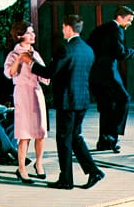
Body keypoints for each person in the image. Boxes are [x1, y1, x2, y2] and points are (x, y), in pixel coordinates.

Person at [23, 14, 105, 190]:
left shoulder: (66, 49)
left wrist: (30, 63)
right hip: (82, 100)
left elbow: (49, 73)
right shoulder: (88, 49)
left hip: (67, 101)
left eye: (63, 28)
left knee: (64, 140)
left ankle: (66, 180)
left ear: (68, 28)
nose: (62, 31)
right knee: (75, 137)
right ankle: (94, 171)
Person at [88, 6, 134, 153]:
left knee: (106, 107)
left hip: (95, 75)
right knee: (124, 99)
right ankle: (112, 135)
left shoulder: (99, 29)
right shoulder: (117, 30)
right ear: (120, 17)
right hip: (109, 74)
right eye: (129, 20)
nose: (130, 23)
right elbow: (120, 53)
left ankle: (104, 142)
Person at [4, 21, 49, 183]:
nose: (33, 35)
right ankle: (21, 168)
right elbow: (9, 73)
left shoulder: (35, 54)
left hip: (36, 93)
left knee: (41, 131)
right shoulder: (13, 55)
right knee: (24, 133)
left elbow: (45, 75)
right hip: (22, 93)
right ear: (19, 36)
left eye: (33, 32)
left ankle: (39, 163)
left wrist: (33, 62)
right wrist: (20, 60)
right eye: (29, 33)